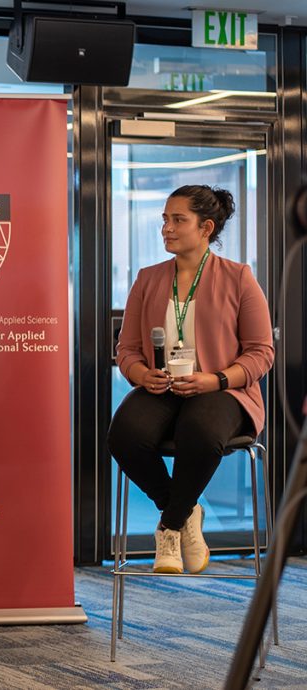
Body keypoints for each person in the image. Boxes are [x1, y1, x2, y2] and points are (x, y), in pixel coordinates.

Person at [109, 185, 274, 575]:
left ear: (206, 227)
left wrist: (215, 379)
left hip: (223, 389)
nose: (166, 227)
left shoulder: (238, 278)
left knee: (198, 429)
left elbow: (261, 352)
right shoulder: (148, 280)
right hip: (163, 388)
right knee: (124, 435)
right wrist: (142, 374)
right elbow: (127, 351)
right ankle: (184, 511)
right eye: (165, 219)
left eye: (178, 219)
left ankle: (168, 528)